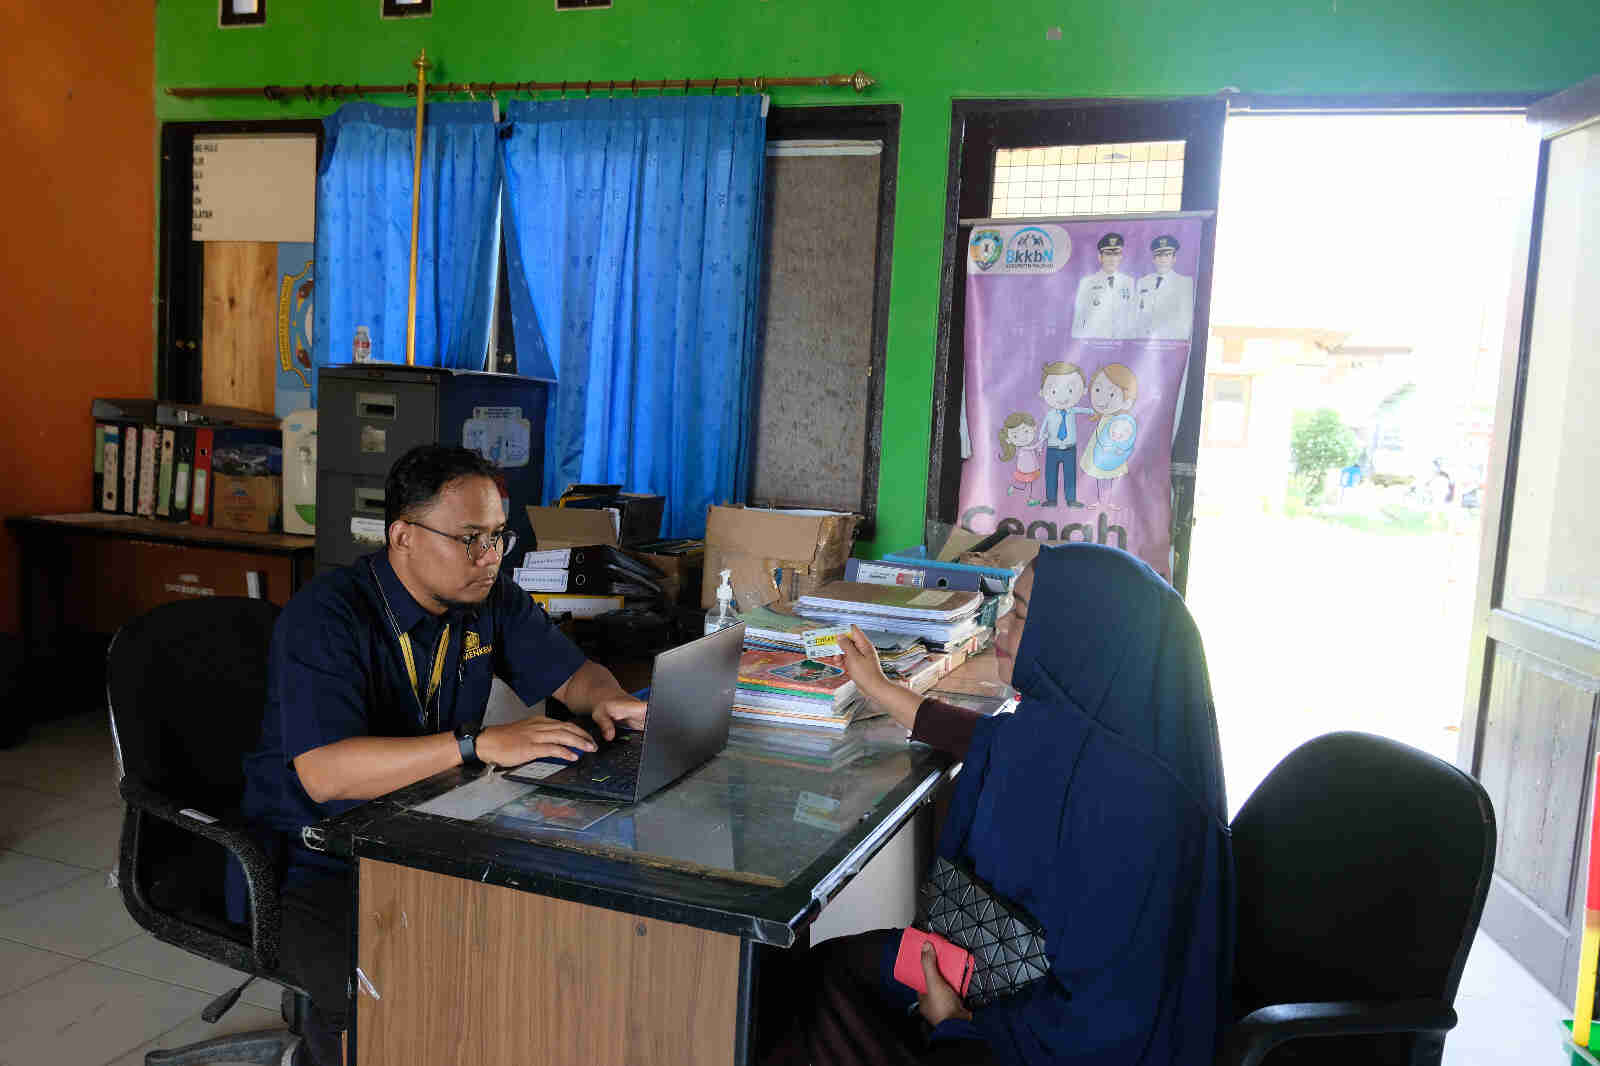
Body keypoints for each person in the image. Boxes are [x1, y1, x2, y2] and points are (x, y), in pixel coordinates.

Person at [238, 444, 646, 1066]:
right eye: (469, 539)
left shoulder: (489, 597)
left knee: (542, 943)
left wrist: (609, 698)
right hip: (311, 855)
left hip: (428, 834)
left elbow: (574, 675)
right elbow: (324, 774)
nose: (489, 557)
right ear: (402, 536)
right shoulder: (327, 615)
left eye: (498, 537)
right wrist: (475, 744)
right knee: (392, 989)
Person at [763, 543, 1234, 1066]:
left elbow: (1099, 1027)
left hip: (1051, 1035)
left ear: (1077, 636)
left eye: (1022, 614)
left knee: (825, 991)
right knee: (833, 970)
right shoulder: (1102, 739)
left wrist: (957, 1027)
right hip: (1019, 969)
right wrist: (878, 686)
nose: (1000, 627)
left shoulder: (1138, 812)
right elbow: (988, 741)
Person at [1079, 363, 1141, 509]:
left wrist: (1120, 449)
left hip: (1112, 454)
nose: (1101, 399)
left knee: (1111, 476)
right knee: (1098, 475)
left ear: (1127, 401)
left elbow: (1126, 439)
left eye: (1112, 394)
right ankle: (1100, 500)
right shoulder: (1104, 418)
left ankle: (1110, 500)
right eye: (1097, 389)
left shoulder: (1121, 421)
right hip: (1098, 451)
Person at [1037, 362, 1094, 509]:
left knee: (1070, 474)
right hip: (1052, 448)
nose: (1062, 397)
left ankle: (1071, 499)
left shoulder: (1073, 410)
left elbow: (1087, 411)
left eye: (1070, 390)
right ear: (1042, 392)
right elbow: (1043, 428)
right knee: (1051, 474)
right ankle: (1051, 499)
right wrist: (1040, 440)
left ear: (1083, 390)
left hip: (1069, 449)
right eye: (1054, 391)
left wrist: (1097, 412)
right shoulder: (1050, 414)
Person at [1071, 233, 1135, 339]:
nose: (1112, 259)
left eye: (1116, 254)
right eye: (1108, 254)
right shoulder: (1087, 282)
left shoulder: (1129, 282)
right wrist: (1079, 340)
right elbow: (1079, 317)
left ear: (1121, 257)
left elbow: (1132, 316)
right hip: (1095, 342)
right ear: (1100, 257)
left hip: (1121, 342)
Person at [1133, 234, 1195, 341]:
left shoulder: (1184, 283)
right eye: (1158, 256)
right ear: (1153, 259)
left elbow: (1185, 323)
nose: (1162, 260)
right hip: (1143, 343)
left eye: (1167, 255)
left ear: (1174, 259)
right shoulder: (1142, 282)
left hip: (1170, 343)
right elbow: (1136, 316)